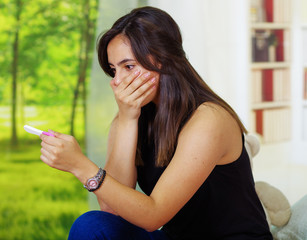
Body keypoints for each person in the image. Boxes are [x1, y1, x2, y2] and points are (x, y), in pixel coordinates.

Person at [40, 6, 273, 240]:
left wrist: (80, 166)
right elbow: (112, 211)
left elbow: (153, 216)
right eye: (113, 70)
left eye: (128, 66)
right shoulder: (129, 117)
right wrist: (128, 121)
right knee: (91, 225)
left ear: (163, 59)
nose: (117, 81)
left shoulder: (209, 118)